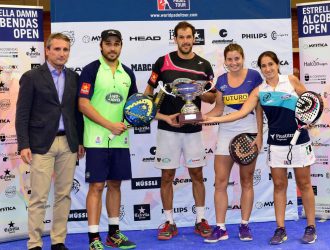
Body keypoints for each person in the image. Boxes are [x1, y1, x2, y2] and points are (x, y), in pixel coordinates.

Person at [203, 51, 317, 245]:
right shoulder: (260, 90)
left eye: (270, 64)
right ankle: (280, 229)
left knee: (304, 184)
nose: (267, 69)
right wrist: (212, 119)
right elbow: (242, 113)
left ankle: (311, 227)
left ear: (277, 64)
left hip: (299, 140)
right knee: (279, 186)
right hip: (276, 143)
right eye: (263, 66)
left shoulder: (291, 80)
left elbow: (311, 102)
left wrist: (311, 120)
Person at [144, 21, 215, 240]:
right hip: (168, 129)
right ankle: (169, 221)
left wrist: (197, 89)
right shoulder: (162, 62)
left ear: (194, 38)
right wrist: (153, 111)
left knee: (197, 174)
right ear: (175, 39)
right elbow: (149, 91)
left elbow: (212, 97)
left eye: (189, 37)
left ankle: (200, 219)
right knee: (167, 176)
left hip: (193, 129)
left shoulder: (204, 65)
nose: (185, 41)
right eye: (181, 37)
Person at [16, 33, 85, 250]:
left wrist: (80, 141)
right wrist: (24, 144)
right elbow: (22, 114)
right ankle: (34, 244)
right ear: (47, 50)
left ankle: (58, 241)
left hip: (68, 144)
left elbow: (77, 113)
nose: (61, 53)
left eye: (65, 49)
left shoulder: (74, 78)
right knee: (39, 197)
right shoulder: (31, 77)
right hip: (40, 145)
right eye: (57, 49)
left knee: (63, 196)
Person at [78, 29, 137, 250]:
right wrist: (109, 125)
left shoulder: (127, 73)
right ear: (101, 46)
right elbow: (83, 104)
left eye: (116, 44)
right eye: (108, 44)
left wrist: (127, 122)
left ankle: (114, 234)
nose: (112, 48)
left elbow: (134, 108)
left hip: (120, 141)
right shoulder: (91, 70)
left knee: (115, 184)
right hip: (96, 140)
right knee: (96, 186)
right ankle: (94, 238)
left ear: (121, 46)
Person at [203, 44, 263, 243]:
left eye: (237, 59)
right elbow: (218, 109)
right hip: (225, 131)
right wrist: (200, 117)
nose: (233, 63)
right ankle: (220, 228)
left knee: (247, 181)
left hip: (248, 131)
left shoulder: (254, 76)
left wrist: (260, 134)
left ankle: (244, 225)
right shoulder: (221, 80)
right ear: (225, 61)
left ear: (243, 58)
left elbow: (260, 109)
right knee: (220, 182)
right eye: (230, 59)